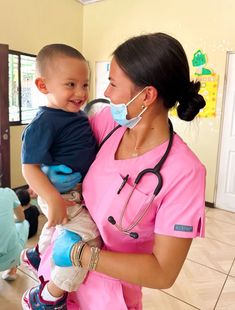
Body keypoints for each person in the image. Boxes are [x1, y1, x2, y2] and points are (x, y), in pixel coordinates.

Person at [29, 32, 206, 309]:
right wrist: (45, 176)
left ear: (147, 95)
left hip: (109, 294)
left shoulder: (185, 172)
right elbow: (52, 148)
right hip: (58, 270)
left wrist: (81, 255)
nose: (105, 93)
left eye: (112, 83)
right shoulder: (107, 126)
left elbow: (163, 272)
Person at [20, 44, 101, 309]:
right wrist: (52, 197)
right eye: (71, 84)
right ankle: (49, 297)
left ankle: (38, 254)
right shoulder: (45, 121)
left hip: (69, 192)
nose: (80, 93)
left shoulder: (74, 115)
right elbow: (28, 167)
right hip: (63, 195)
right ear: (43, 86)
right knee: (87, 238)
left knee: (58, 228)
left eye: (85, 84)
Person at [0, 187, 29, 281]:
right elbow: (21, 218)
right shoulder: (8, 192)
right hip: (10, 258)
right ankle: (11, 269)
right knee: (24, 223)